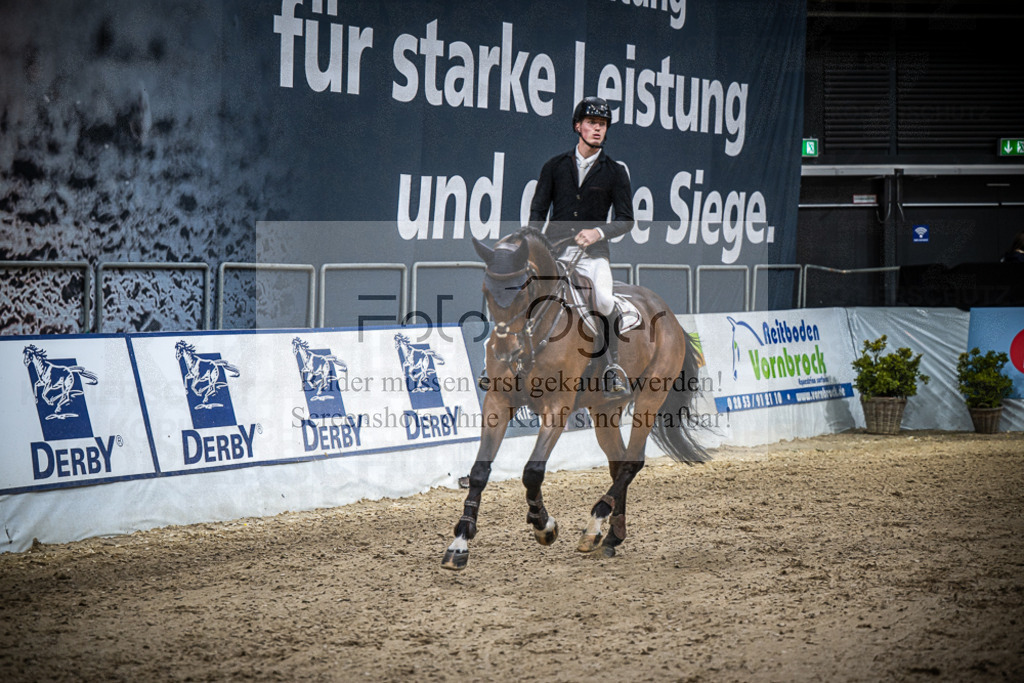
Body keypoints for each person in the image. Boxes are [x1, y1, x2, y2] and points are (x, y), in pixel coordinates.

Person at [529, 96, 634, 397]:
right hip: (554, 251)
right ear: (578, 126)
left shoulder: (615, 172)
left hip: (593, 255)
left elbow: (626, 220)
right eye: (591, 123)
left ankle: (612, 366)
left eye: (602, 125)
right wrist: (533, 246)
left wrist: (598, 232)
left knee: (602, 300)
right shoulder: (554, 166)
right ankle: (506, 364)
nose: (597, 129)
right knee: (522, 291)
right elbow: (538, 211)